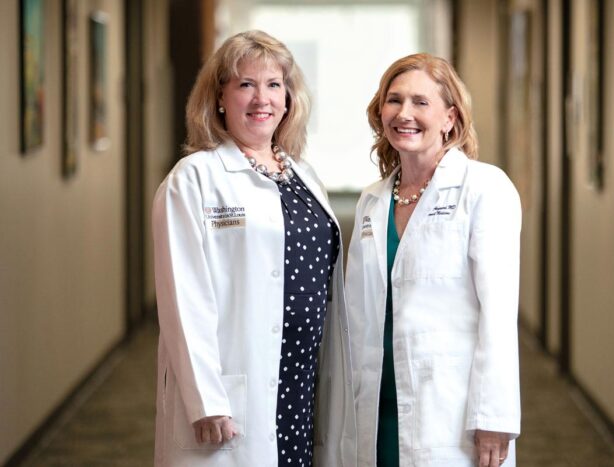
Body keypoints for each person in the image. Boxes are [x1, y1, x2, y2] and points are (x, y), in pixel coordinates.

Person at [152, 30, 356, 467]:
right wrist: (206, 399)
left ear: (288, 99)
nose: (261, 98)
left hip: (301, 379)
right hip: (234, 388)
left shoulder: (303, 175)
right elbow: (182, 299)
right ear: (220, 98)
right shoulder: (194, 179)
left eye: (273, 85)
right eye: (245, 84)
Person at [345, 53, 521, 467]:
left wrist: (494, 416)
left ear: (450, 118)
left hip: (453, 412)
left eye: (421, 102)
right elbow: (356, 314)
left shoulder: (483, 188)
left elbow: (498, 314)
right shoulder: (372, 201)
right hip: (377, 406)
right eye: (394, 100)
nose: (404, 113)